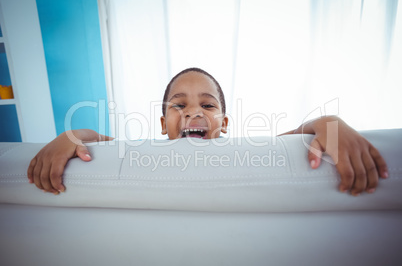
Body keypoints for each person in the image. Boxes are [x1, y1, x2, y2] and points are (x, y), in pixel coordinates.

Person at [27, 67, 388, 196]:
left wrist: (329, 123)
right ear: (162, 123)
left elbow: (293, 138)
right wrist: (73, 135)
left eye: (208, 105)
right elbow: (107, 145)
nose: (193, 111)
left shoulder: (244, 152)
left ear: (225, 124)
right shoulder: (149, 151)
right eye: (179, 105)